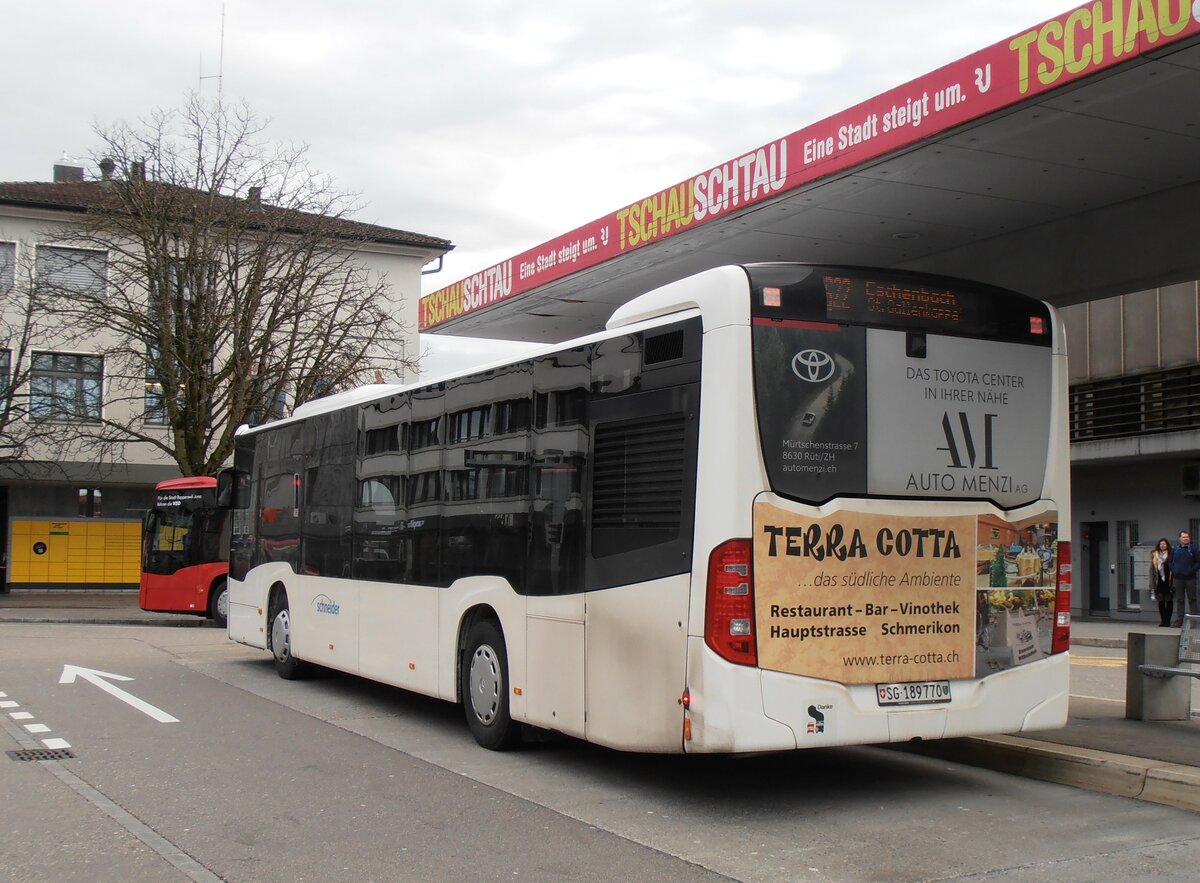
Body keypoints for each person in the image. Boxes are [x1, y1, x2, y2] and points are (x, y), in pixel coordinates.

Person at [1169, 530, 1200, 628]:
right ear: (1180, 539)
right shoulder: (1175, 550)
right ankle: (1179, 621)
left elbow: (1198, 562)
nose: (1186, 539)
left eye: (1187, 537)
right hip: (1178, 579)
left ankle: (1194, 622)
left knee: (1192, 599)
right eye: (1184, 537)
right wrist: (1174, 571)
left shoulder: (1194, 550)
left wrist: (1191, 571)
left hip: (1190, 578)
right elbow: (1170, 562)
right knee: (1180, 600)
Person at [1150, 537, 1174, 627]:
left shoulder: (1171, 554)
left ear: (1167, 545)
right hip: (1159, 582)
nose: (1162, 545)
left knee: (1169, 601)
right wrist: (1152, 585)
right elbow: (1152, 570)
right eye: (1161, 544)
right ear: (1159, 546)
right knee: (1161, 602)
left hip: (1169, 582)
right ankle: (1163, 621)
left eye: (1164, 544)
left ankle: (1168, 621)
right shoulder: (1155, 555)